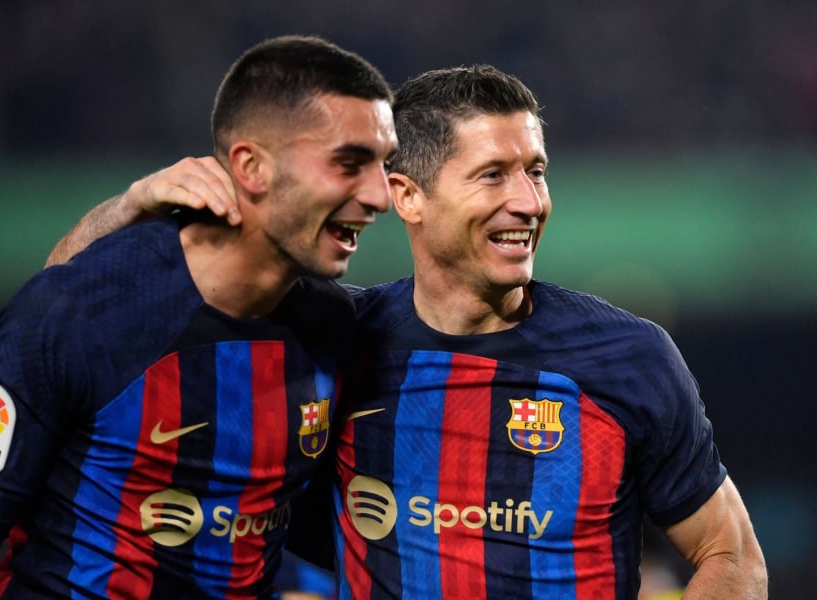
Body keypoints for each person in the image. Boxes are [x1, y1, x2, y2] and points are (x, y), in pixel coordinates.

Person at [38, 66, 768, 599]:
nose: (528, 201)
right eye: (493, 175)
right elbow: (62, 308)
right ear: (407, 196)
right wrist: (134, 206)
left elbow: (731, 557)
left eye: (536, 171)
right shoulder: (334, 340)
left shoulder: (629, 357)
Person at [0, 34, 397, 599]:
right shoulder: (83, 312)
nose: (380, 196)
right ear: (251, 165)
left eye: (384, 165)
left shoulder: (336, 327)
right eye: (349, 164)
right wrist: (123, 207)